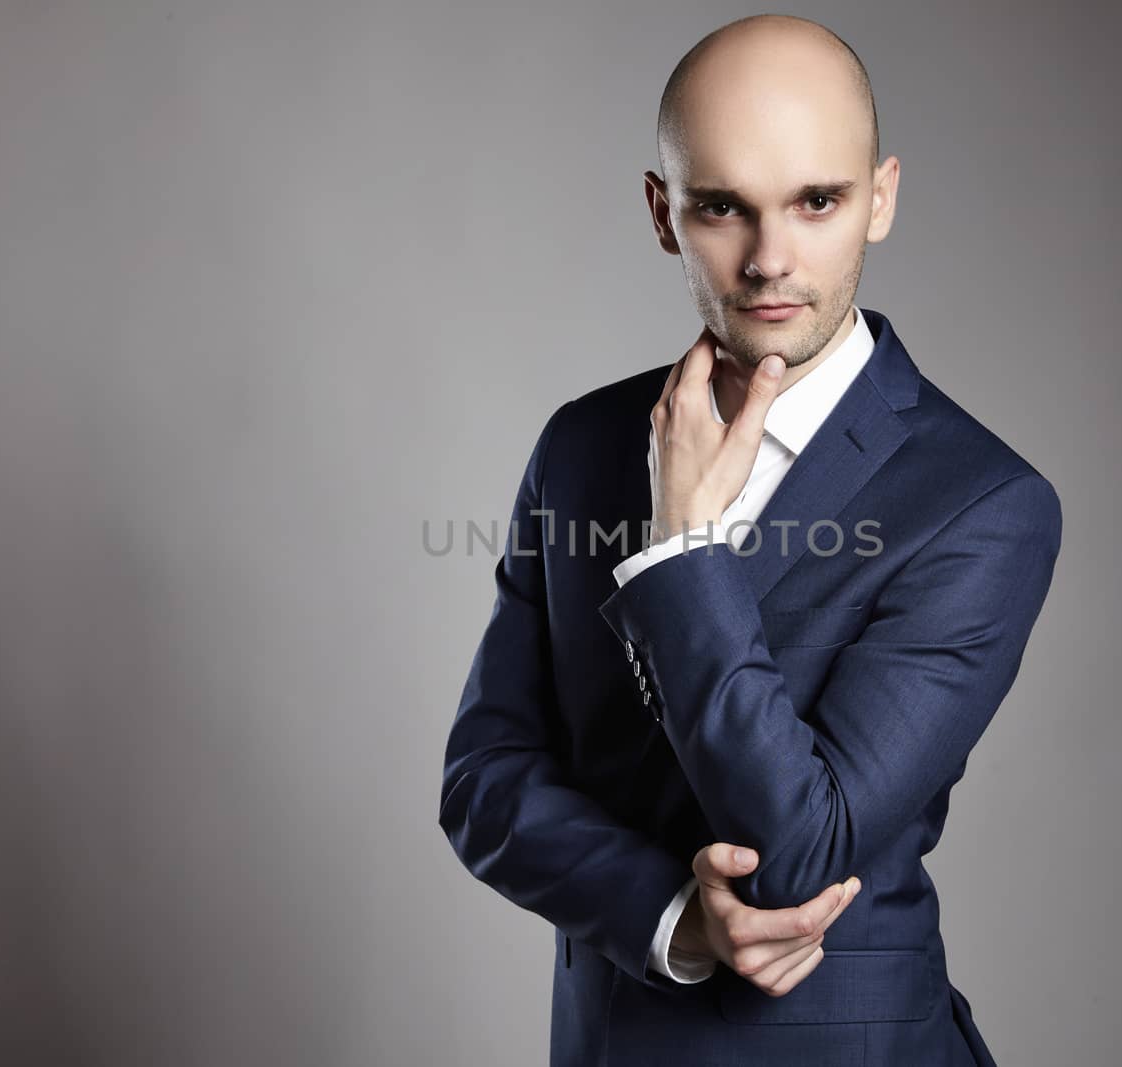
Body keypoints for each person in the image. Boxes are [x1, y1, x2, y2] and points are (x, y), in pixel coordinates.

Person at [438, 14, 1061, 1066]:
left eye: (816, 201)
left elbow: (798, 853)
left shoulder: (982, 503)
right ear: (661, 212)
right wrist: (670, 916)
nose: (771, 260)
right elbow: (485, 778)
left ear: (881, 196)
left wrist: (682, 552)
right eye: (722, 207)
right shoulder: (582, 445)